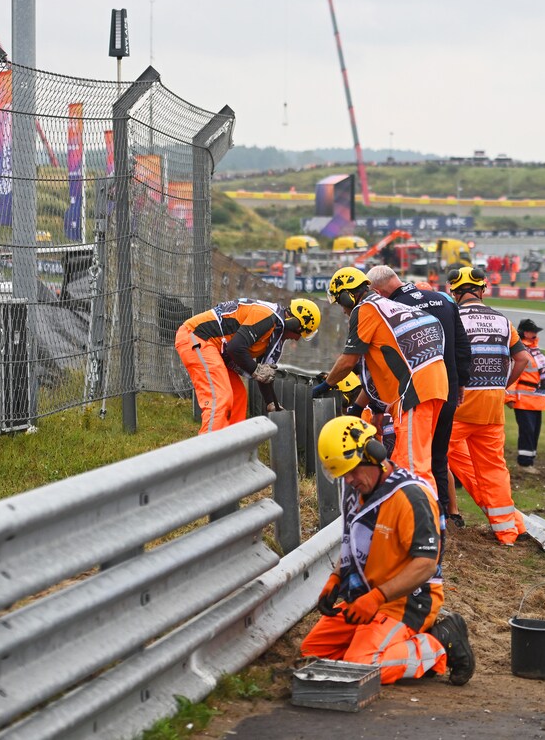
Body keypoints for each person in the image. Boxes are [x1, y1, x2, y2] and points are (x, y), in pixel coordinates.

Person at [302, 416, 475, 686]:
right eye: (343, 474)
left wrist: (376, 598)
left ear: (374, 456)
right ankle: (391, 645)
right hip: (365, 597)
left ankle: (439, 643)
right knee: (312, 653)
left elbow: (426, 565)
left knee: (361, 667)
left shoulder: (411, 497)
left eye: (353, 470)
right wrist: (336, 579)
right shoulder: (355, 491)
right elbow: (353, 543)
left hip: (406, 601)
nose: (349, 480)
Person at [313, 266, 448, 493]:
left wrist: (326, 384)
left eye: (341, 303)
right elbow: (376, 371)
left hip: (415, 390)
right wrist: (358, 407)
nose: (344, 310)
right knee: (409, 458)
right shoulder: (388, 305)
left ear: (348, 295)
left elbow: (348, 360)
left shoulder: (365, 310)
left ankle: (426, 523)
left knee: (412, 468)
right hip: (434, 384)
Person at [366, 265, 472, 527]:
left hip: (416, 392)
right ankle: (445, 514)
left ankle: (424, 518)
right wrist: (461, 383)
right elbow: (462, 345)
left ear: (378, 291)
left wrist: (377, 403)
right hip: (447, 386)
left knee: (414, 457)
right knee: (439, 455)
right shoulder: (443, 299)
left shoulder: (392, 308)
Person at [446, 266, 529, 546]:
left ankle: (432, 520)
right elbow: (523, 360)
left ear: (455, 292)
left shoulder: (453, 317)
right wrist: (502, 385)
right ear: (482, 289)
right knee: (494, 469)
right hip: (492, 407)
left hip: (460, 404)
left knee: (432, 458)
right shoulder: (503, 320)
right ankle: (508, 532)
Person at [175, 297, 320, 435]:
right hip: (197, 337)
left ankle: (231, 448)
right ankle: (207, 452)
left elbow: (264, 373)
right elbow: (236, 348)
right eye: (300, 333)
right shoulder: (266, 316)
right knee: (220, 398)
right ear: (295, 324)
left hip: (216, 350)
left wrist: (271, 403)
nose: (297, 338)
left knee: (239, 396)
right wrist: (256, 370)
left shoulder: (275, 331)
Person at [506, 318, 545, 474]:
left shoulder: (535, 350)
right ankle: (525, 463)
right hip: (524, 400)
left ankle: (530, 461)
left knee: (534, 431)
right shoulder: (521, 351)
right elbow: (514, 375)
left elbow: (538, 373)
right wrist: (510, 398)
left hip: (537, 399)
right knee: (527, 431)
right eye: (533, 331)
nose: (535, 334)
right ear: (525, 333)